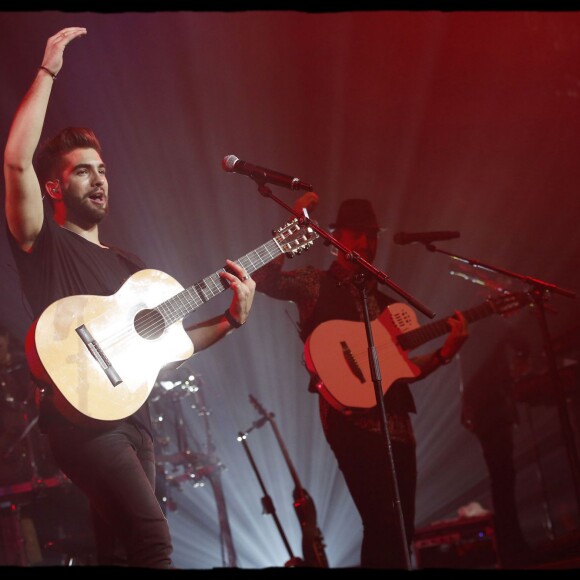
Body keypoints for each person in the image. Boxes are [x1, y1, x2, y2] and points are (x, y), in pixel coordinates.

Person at [3, 27, 256, 568]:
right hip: (80, 423)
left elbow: (172, 345)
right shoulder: (42, 243)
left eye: (103, 171)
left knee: (121, 553)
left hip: (133, 419)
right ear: (54, 189)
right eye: (83, 172)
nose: (99, 181)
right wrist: (49, 68)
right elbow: (16, 162)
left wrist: (231, 320)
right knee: (153, 542)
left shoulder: (131, 270)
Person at [251, 193, 469, 569]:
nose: (367, 244)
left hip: (397, 422)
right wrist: (290, 234)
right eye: (357, 235)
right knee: (381, 523)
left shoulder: (387, 303)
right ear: (337, 238)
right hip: (349, 420)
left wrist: (446, 351)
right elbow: (264, 280)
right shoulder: (314, 283)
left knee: (402, 529)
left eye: (371, 236)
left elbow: (406, 369)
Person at [460, 325, 532, 567]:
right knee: (503, 478)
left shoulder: (476, 327)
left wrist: (466, 404)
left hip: (486, 411)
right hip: (493, 410)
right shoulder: (491, 325)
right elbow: (522, 343)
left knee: (501, 479)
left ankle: (510, 542)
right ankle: (511, 544)